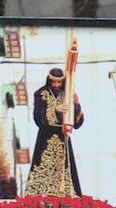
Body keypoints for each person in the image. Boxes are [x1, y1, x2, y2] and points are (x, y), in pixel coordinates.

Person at [25, 67, 85, 197]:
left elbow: (77, 123)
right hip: (45, 138)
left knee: (65, 171)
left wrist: (76, 104)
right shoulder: (40, 93)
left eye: (59, 82)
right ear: (49, 81)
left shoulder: (67, 95)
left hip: (63, 138)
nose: (57, 85)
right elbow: (38, 118)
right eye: (54, 82)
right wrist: (55, 109)